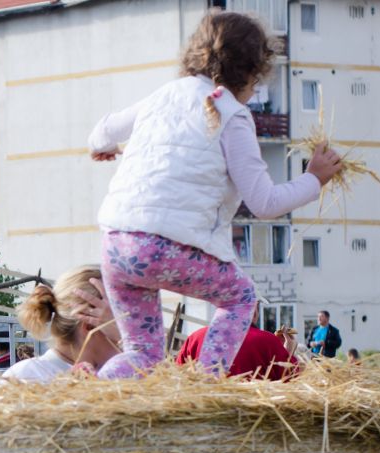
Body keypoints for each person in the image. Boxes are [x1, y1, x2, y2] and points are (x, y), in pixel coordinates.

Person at [89, 11, 341, 379]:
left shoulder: (163, 95)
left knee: (142, 353)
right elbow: (264, 203)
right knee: (239, 297)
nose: (254, 94)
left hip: (116, 246)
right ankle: (206, 386)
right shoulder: (232, 115)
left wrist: (104, 147)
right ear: (249, 73)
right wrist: (313, 179)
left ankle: (96, 386)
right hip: (167, 247)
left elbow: (101, 133)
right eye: (256, 83)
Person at [3, 265, 120, 382]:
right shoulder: (27, 377)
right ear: (90, 327)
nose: (131, 333)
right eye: (123, 324)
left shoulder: (115, 375)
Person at [177, 324, 299, 379]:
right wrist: (287, 352)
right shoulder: (268, 340)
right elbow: (294, 382)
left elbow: (176, 378)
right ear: (254, 309)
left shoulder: (195, 337)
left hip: (203, 422)